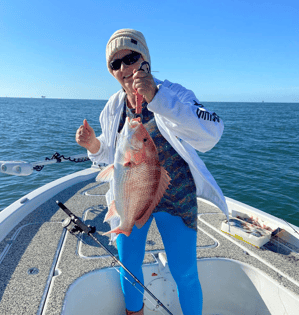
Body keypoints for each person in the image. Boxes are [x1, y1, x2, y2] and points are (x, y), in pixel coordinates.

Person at [76, 29, 229, 315]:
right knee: (129, 267)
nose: (124, 68)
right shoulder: (112, 107)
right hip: (130, 197)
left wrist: (157, 97)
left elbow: (212, 132)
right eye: (115, 64)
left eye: (131, 58)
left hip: (177, 198)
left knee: (185, 272)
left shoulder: (176, 94)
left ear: (146, 58)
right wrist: (94, 145)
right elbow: (110, 158)